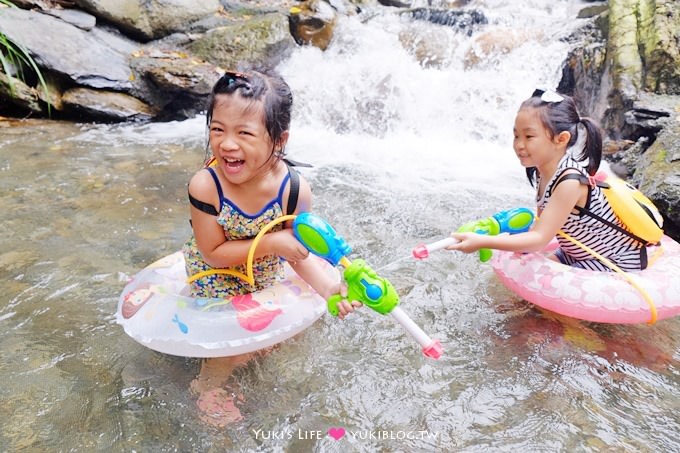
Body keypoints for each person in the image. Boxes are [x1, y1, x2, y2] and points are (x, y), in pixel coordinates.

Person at [182, 67, 360, 426]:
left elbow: (298, 252)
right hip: (215, 273)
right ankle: (207, 386)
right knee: (231, 344)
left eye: (244, 133)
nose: (227, 144)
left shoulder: (293, 190)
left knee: (271, 340)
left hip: (263, 272)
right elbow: (212, 250)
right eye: (218, 130)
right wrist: (272, 241)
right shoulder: (206, 186)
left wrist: (329, 288)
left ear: (279, 140)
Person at [448, 89, 648, 272]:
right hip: (575, 252)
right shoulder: (542, 170)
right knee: (515, 291)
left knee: (533, 308)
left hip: (613, 259)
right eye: (516, 135)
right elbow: (543, 226)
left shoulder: (570, 182)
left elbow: (538, 240)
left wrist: (484, 241)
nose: (519, 145)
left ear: (561, 139)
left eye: (529, 136)